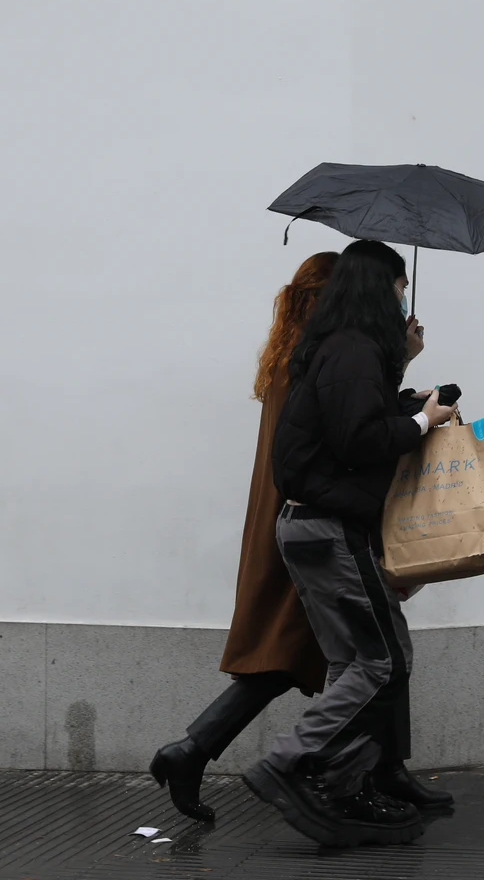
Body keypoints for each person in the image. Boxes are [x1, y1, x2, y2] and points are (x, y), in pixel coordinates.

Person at [243, 239, 457, 848]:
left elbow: (350, 420)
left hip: (312, 526)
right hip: (329, 529)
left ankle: (343, 783)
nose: (403, 297)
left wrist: (404, 381)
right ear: (378, 288)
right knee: (382, 660)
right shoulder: (352, 350)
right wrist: (422, 422)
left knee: (350, 661)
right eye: (398, 287)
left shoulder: (340, 350)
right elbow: (361, 440)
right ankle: (291, 761)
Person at [149, 252, 340, 823]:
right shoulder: (310, 359)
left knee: (299, 654)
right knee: (309, 656)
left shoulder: (292, 353)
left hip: (284, 519)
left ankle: (196, 752)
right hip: (305, 522)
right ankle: (202, 752)